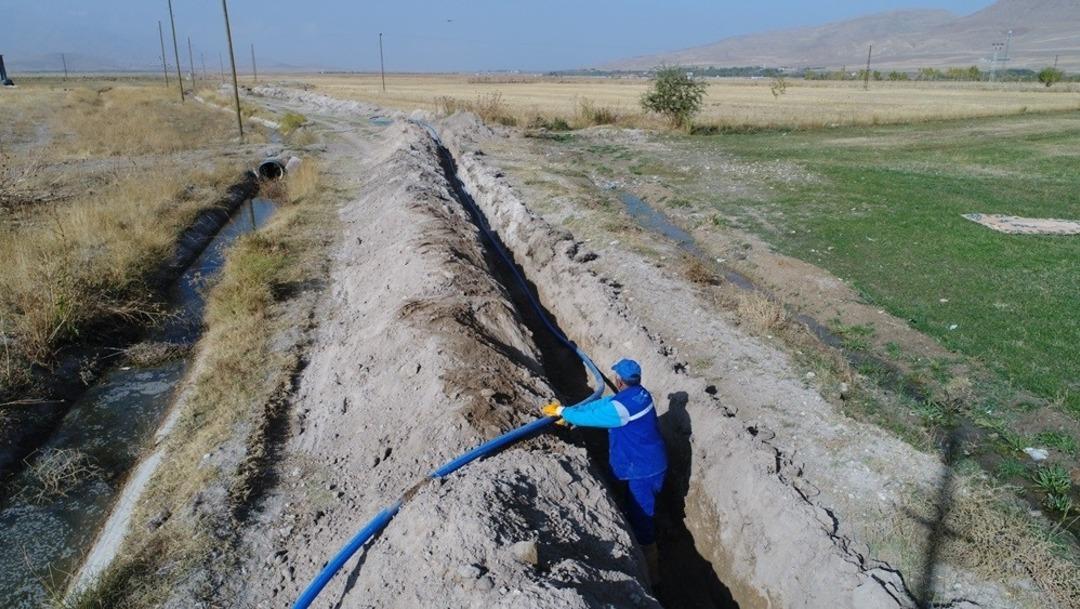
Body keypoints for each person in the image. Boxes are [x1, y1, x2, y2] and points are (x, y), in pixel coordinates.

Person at [541, 358, 667, 584]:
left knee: (642, 517)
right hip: (652, 462)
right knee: (639, 506)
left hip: (642, 470)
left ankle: (652, 572)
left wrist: (564, 412)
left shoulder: (622, 408)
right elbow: (602, 405)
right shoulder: (640, 394)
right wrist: (570, 411)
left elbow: (595, 416)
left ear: (618, 380)